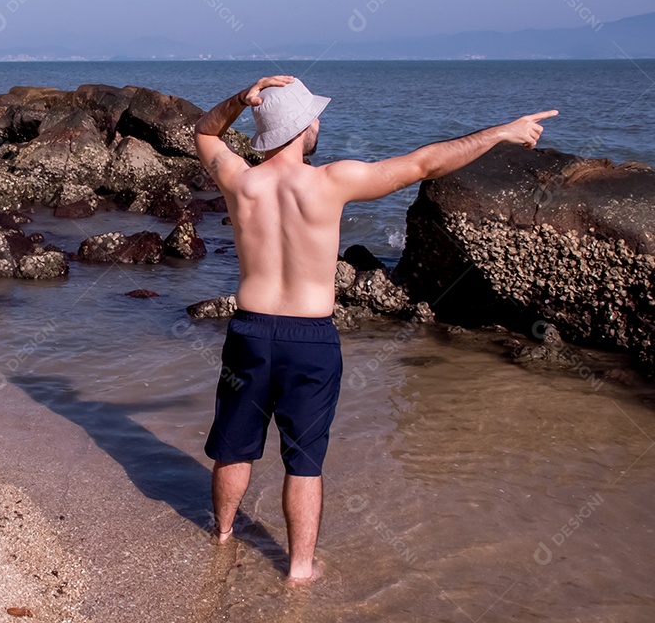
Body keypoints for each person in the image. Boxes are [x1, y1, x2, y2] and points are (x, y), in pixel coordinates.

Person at [194, 75, 557, 584]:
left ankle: (223, 535)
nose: (319, 121)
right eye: (314, 115)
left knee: (235, 445)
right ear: (303, 127)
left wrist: (240, 99)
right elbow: (425, 163)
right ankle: (299, 570)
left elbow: (204, 134)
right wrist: (503, 131)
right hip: (310, 340)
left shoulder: (240, 180)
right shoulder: (332, 181)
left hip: (251, 331)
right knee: (304, 460)